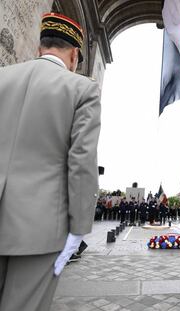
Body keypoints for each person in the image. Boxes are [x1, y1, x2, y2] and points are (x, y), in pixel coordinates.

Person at [0, 12, 101, 311]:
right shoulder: (83, 89)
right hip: (40, 228)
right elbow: (81, 161)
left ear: (39, 47)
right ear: (74, 55)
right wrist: (79, 228)